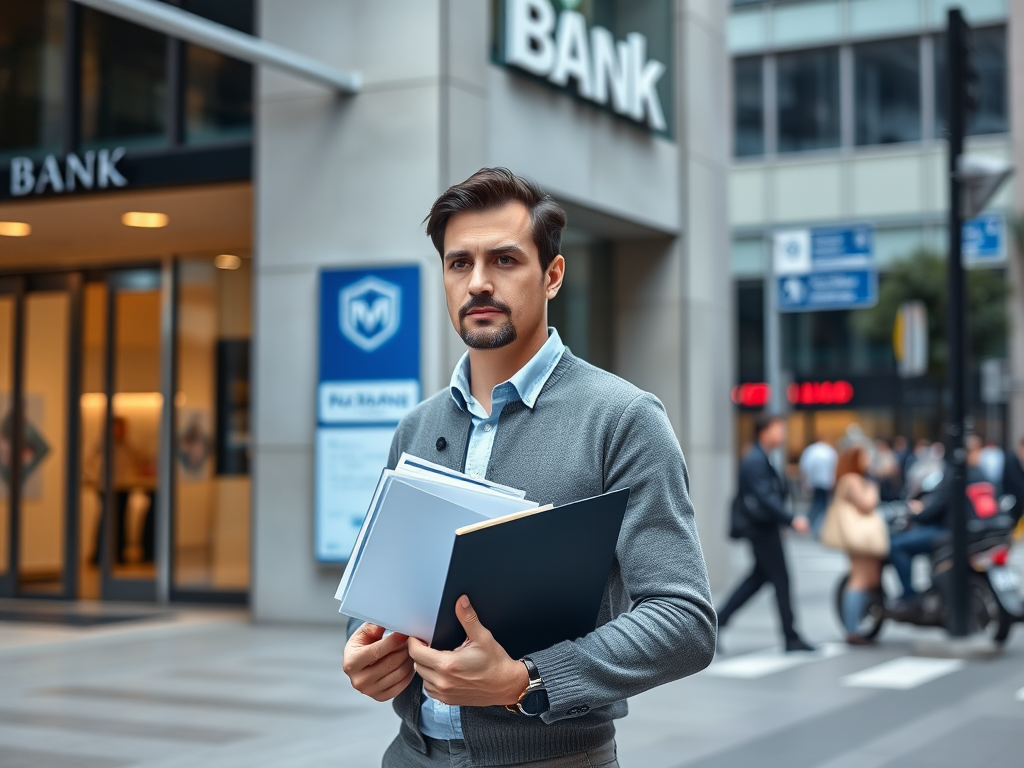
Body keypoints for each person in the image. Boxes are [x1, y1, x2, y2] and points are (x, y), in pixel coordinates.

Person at [341, 168, 716, 768]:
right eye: (459, 263)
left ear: (552, 276)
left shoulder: (622, 419)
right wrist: (371, 652)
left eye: (505, 261)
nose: (479, 283)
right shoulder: (416, 427)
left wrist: (528, 679)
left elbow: (684, 620)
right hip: (411, 756)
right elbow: (389, 597)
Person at [719, 413, 814, 652]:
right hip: (761, 530)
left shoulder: (761, 458)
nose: (781, 434)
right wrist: (791, 520)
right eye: (777, 429)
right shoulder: (755, 460)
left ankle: (717, 623)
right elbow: (765, 497)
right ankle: (791, 637)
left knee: (757, 580)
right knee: (781, 580)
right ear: (764, 432)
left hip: (764, 528)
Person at [830, 445, 882, 644]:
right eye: (864, 457)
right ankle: (852, 629)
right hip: (859, 538)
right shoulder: (852, 480)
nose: (868, 461)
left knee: (864, 580)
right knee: (859, 581)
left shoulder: (850, 479)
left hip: (859, 537)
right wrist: (874, 486)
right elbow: (867, 503)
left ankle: (854, 627)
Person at [798, 433, 837, 536]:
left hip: (815, 482)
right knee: (821, 505)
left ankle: (812, 525)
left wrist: (805, 483)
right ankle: (811, 525)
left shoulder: (811, 450)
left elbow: (804, 468)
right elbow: (834, 468)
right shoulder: (829, 451)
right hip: (826, 483)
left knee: (818, 504)